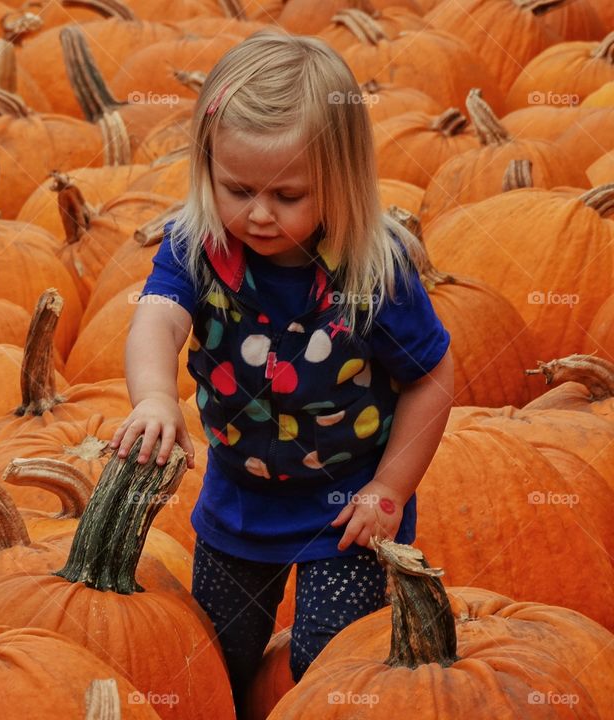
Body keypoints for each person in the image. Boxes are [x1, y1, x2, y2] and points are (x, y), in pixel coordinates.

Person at [108, 29, 454, 714]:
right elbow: (158, 318)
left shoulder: (370, 273)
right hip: (241, 496)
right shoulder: (200, 245)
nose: (259, 213)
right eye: (236, 188)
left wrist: (389, 488)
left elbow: (432, 377)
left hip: (346, 508)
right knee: (219, 654)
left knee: (326, 660)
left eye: (288, 195)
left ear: (341, 183)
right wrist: (152, 396)